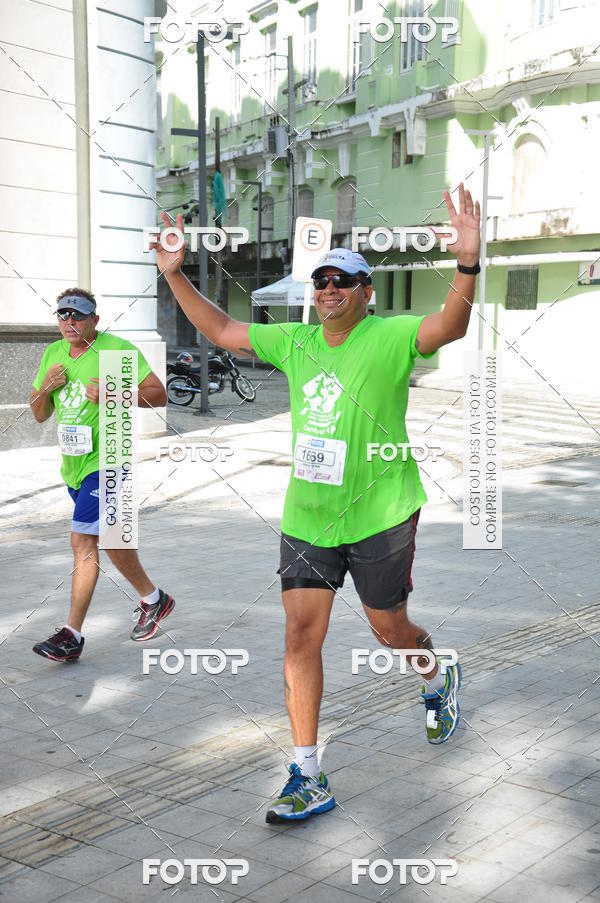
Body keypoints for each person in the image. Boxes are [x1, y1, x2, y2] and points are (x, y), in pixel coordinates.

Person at [152, 184, 480, 823]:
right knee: (301, 634)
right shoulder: (294, 342)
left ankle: (435, 675)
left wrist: (467, 264)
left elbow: (451, 324)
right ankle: (306, 773)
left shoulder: (391, 336)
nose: (328, 288)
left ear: (366, 294)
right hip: (308, 517)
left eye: (343, 280)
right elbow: (221, 327)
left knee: (389, 631)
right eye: (321, 280)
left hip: (382, 510)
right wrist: (175, 275)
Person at [29, 288, 175, 662]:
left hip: (109, 459)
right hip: (74, 467)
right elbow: (39, 412)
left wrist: (116, 393)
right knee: (112, 541)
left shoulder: (115, 350)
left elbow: (158, 395)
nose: (70, 322)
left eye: (78, 316)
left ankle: (72, 634)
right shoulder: (53, 354)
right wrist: (46, 388)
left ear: (96, 319)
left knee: (82, 541)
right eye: (63, 315)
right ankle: (154, 599)